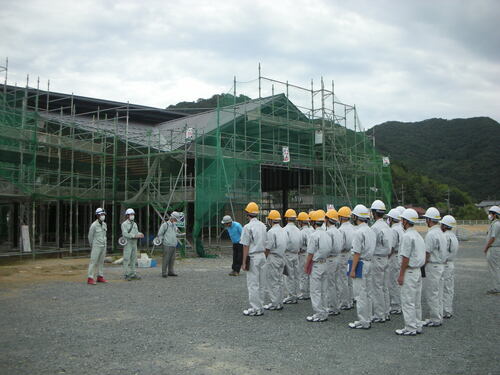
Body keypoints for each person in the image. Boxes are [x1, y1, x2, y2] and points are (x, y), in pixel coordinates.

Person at [395, 208, 426, 336]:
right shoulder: (418, 235)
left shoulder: (407, 236)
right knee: (416, 301)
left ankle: (410, 327)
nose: (401, 222)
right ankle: (417, 324)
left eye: (402, 220)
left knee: (407, 301)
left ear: (406, 221)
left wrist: (401, 274)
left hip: (409, 271)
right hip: (417, 271)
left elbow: (405, 257)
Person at [348, 204, 376, 329]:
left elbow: (357, 253)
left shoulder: (358, 232)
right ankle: (368, 317)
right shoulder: (370, 230)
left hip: (361, 263)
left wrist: (352, 269)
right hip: (370, 262)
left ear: (356, 217)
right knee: (368, 293)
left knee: (360, 294)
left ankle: (363, 321)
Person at [240, 202, 268, 316]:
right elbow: (266, 243)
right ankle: (260, 306)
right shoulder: (263, 226)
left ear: (247, 213)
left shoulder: (247, 227)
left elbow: (245, 245)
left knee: (253, 284)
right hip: (262, 255)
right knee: (262, 283)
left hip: (253, 256)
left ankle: (255, 308)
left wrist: (243, 262)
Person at [422, 207, 447, 327]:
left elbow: (427, 252)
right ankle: (439, 315)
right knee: (439, 292)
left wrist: (423, 265)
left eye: (426, 218)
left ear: (429, 220)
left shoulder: (431, 234)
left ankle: (435, 318)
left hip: (433, 265)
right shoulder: (441, 233)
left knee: (432, 293)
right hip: (441, 265)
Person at [304, 210, 331, 322]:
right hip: (325, 263)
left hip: (316, 265)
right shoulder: (327, 234)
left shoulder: (314, 235)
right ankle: (324, 311)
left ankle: (319, 313)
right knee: (324, 290)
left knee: (315, 290)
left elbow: (310, 253)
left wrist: (306, 266)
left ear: (313, 222)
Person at [369, 200, 393, 323]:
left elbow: (371, 246)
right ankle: (386, 311)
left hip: (377, 258)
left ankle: (379, 314)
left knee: (377, 287)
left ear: (373, 213)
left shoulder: (374, 228)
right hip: (386, 258)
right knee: (385, 287)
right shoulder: (387, 226)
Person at [263, 210, 288, 311]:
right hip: (282, 257)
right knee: (279, 281)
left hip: (273, 257)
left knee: (272, 281)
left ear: (270, 220)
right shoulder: (283, 230)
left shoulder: (271, 232)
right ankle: (279, 302)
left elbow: (268, 247)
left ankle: (274, 303)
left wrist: (264, 259)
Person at [325, 209, 344, 316]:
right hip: (338, 257)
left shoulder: (328, 232)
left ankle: (332, 307)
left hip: (330, 259)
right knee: (337, 282)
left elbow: (327, 248)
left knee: (330, 284)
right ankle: (336, 305)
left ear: (328, 219)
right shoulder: (338, 231)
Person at [386, 208, 405, 315]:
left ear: (391, 219)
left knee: (393, 282)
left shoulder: (394, 230)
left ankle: (395, 305)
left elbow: (391, 247)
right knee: (397, 282)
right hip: (400, 256)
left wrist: (387, 257)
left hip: (394, 256)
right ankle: (399, 304)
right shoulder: (401, 228)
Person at [440, 215, 459, 318]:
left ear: (444, 225)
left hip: (445, 264)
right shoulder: (453, 236)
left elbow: (443, 252)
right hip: (451, 263)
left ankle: (445, 310)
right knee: (450, 288)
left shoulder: (445, 236)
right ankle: (448, 309)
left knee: (444, 288)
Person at [282, 209, 302, 305]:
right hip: (296, 254)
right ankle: (297, 293)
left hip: (287, 254)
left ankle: (291, 296)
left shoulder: (285, 230)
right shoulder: (298, 230)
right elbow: (301, 243)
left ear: (286, 218)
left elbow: (283, 243)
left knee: (288, 275)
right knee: (296, 275)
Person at [338, 206, 355, 310]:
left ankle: (344, 302)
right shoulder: (353, 228)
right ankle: (351, 299)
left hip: (343, 254)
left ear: (340, 217)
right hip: (352, 254)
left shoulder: (341, 230)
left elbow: (341, 245)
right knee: (350, 279)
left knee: (343, 279)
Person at [157, 211, 184, 278]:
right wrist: (161, 240)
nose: (176, 221)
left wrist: (180, 234)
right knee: (166, 259)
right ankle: (164, 272)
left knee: (172, 259)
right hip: (167, 244)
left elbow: (175, 234)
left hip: (173, 244)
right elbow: (160, 234)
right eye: (175, 219)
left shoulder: (174, 226)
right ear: (172, 218)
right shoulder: (165, 225)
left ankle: (170, 272)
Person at [121, 208, 144, 281]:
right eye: (131, 214)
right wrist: (134, 236)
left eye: (133, 214)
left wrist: (140, 234)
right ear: (127, 216)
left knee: (134, 258)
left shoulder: (134, 224)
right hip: (128, 243)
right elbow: (125, 234)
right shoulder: (124, 224)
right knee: (126, 258)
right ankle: (126, 274)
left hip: (134, 243)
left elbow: (136, 232)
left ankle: (133, 273)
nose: (132, 216)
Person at [87, 207, 108, 285]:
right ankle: (90, 278)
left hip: (103, 245)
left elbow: (104, 235)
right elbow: (90, 236)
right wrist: (92, 245)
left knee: (101, 262)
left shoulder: (104, 224)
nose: (103, 216)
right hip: (96, 246)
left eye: (103, 214)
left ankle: (100, 276)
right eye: (101, 214)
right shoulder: (94, 225)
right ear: (97, 215)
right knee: (93, 261)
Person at [297, 212, 314, 300]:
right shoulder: (312, 230)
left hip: (304, 254)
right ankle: (310, 292)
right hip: (312, 253)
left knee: (303, 273)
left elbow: (299, 246)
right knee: (310, 273)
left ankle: (304, 292)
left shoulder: (301, 232)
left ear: (300, 222)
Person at [484, 205, 500, 294]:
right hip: (495, 248)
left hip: (494, 248)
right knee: (496, 268)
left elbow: (492, 238)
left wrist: (486, 248)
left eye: (490, 213)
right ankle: (497, 286)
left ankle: (496, 287)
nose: (489, 215)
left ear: (495, 215)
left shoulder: (496, 224)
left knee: (494, 269)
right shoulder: (495, 224)